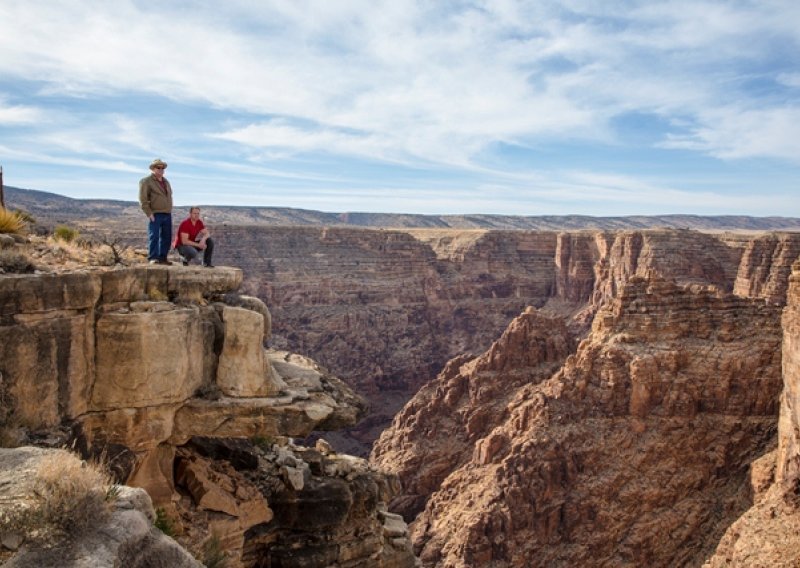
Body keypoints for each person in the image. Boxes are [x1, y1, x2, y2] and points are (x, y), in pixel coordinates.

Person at [138, 158, 173, 265]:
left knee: (167, 237)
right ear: (153, 169)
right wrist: (149, 213)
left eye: (163, 168)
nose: (161, 169)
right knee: (154, 236)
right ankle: (153, 257)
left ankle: (163, 258)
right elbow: (143, 199)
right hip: (156, 213)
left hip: (167, 213)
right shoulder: (146, 181)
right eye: (159, 167)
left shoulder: (166, 181)